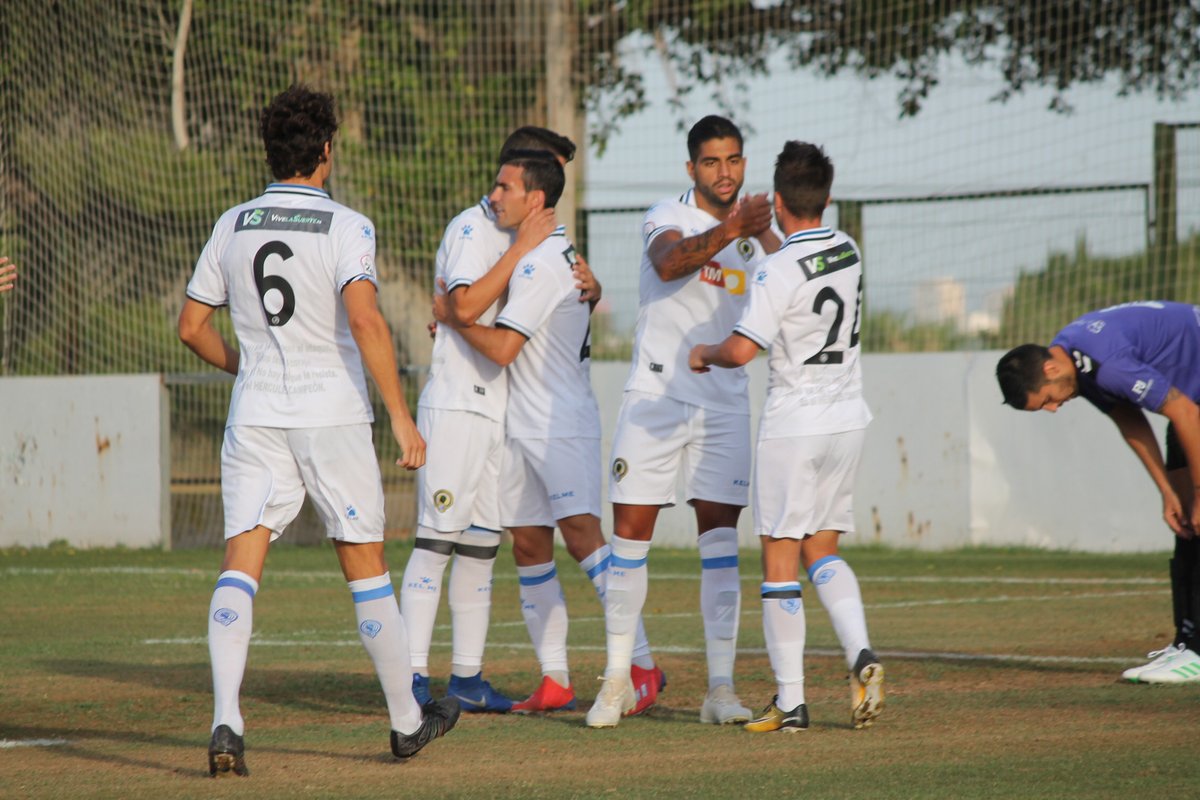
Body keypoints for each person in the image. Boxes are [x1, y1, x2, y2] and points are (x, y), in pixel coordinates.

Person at [178, 85, 459, 775]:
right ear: (326, 151)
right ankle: (404, 721)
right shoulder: (346, 225)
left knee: (240, 566)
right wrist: (400, 415)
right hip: (331, 413)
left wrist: (248, 370)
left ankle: (225, 720)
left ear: (271, 152)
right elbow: (364, 320)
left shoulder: (232, 223)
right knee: (363, 565)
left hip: (257, 415)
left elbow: (190, 327)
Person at [433, 149, 661, 714]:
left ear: (536, 200)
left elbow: (505, 348)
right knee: (529, 543)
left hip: (560, 423)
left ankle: (644, 665)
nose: (496, 195)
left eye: (506, 186)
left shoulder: (541, 263)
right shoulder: (547, 256)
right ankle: (555, 679)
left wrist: (454, 317)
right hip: (521, 421)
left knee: (583, 538)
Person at [586, 115, 779, 729]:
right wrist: (734, 228)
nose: (726, 172)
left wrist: (768, 237)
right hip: (657, 397)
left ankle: (719, 690)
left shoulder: (754, 235)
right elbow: (670, 264)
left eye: (735, 160)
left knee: (721, 545)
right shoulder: (664, 216)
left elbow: (788, 290)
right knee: (630, 537)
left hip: (725, 401)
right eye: (712, 162)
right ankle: (617, 679)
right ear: (691, 168)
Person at [689, 141, 884, 732]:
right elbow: (805, 269)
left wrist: (705, 352)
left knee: (779, 562)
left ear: (775, 201)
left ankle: (792, 701)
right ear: (828, 197)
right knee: (822, 550)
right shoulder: (847, 249)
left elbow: (743, 348)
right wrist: (773, 239)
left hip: (794, 427)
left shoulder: (775, 269)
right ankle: (861, 654)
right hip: (847, 420)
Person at [400, 127, 589, 713]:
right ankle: (408, 680)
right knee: (436, 541)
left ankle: (466, 678)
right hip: (457, 404)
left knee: (481, 546)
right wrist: (515, 251)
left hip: (499, 411)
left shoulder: (530, 238)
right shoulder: (472, 228)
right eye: (509, 180)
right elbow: (462, 306)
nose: (502, 192)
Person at [997, 301, 1200, 684]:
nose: (1054, 409)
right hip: (1192, 403)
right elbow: (1130, 419)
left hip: (1193, 405)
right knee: (1187, 521)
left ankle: (1198, 652)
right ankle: (1187, 644)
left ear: (1050, 369)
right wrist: (1166, 493)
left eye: (1047, 400)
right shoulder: (1074, 359)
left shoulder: (1107, 364)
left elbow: (1186, 413)